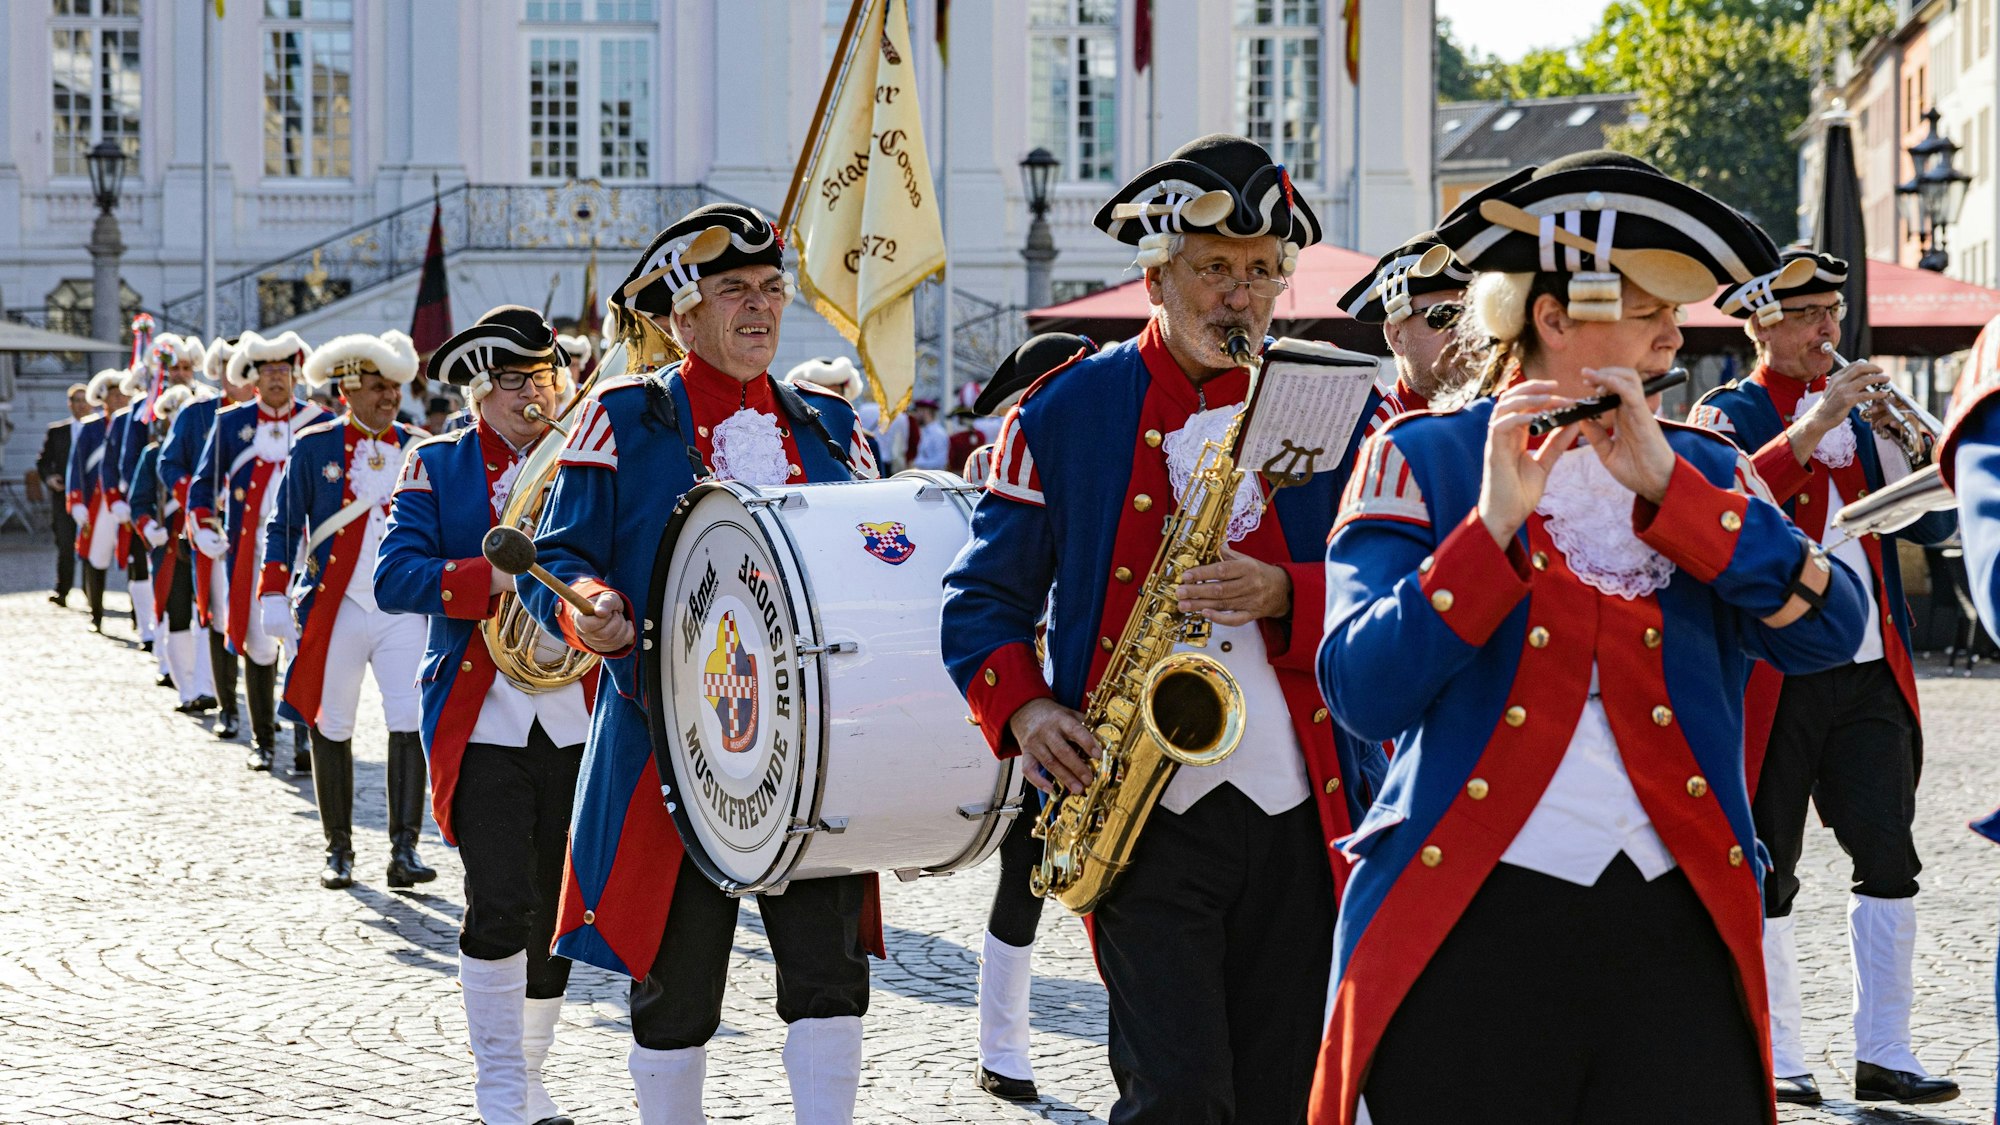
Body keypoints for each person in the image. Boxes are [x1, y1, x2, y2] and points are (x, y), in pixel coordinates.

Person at [1311, 151, 1870, 1125]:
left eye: (1673, 305)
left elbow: (1827, 631)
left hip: (1678, 919)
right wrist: (1484, 535)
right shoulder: (1417, 459)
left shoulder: (1704, 465)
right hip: (1469, 919)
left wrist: (1673, 495)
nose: (1671, 324)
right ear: (1551, 316)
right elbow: (1358, 691)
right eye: (1644, 300)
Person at [942, 134, 1381, 1122]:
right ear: (1154, 275)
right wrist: (1022, 712)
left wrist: (1285, 595)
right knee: (1174, 1094)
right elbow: (980, 600)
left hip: (1303, 803)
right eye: (1213, 270)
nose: (1239, 294)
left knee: (1287, 1090)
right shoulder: (1063, 412)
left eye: (1259, 272)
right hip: (1138, 809)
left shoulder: (1346, 408)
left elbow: (1391, 589)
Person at [520, 203, 882, 1124]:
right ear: (683, 317)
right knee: (676, 990)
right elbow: (553, 563)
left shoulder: (833, 428)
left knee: (829, 976)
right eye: (733, 292)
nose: (759, 309)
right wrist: (589, 606)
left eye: (770, 290)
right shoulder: (622, 418)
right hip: (672, 748)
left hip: (813, 753)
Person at [1688, 247, 1960, 1106]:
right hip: (1775, 672)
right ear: (1762, 322)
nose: (1828, 332)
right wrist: (1809, 431)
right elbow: (1723, 509)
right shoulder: (1724, 410)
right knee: (1771, 863)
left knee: (1890, 854)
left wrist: (1918, 448)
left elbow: (1926, 520)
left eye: (1833, 315)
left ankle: (1886, 1049)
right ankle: (1780, 1053)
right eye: (1808, 316)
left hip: (1871, 665)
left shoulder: (1867, 411)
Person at [378, 306, 595, 1125]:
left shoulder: (583, 458)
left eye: (544, 378)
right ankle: (500, 1086)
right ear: (480, 390)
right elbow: (399, 578)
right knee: (500, 899)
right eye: (513, 383)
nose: (533, 396)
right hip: (486, 718)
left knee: (559, 907)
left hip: (574, 713)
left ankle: (530, 1076)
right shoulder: (437, 463)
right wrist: (497, 578)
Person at [957, 330, 1095, 1103]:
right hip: (1019, 705)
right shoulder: (996, 466)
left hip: (1085, 691)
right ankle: (1000, 1042)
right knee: (1025, 873)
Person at [258, 331, 431, 890]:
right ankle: (339, 849)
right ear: (348, 388)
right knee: (332, 723)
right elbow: (284, 526)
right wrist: (271, 593)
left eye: (395, 387)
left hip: (400, 607)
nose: (390, 398)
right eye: (378, 387)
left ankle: (404, 850)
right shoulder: (314, 446)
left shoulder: (421, 446)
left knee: (409, 719)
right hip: (337, 608)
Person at [191, 331, 328, 771]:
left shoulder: (318, 420)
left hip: (309, 552)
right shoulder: (230, 423)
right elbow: (201, 485)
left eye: (283, 372)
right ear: (254, 377)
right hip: (252, 554)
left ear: (295, 375)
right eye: (267, 372)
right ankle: (264, 740)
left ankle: (306, 739)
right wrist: (201, 524)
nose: (276, 380)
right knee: (258, 643)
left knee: (304, 644)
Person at [163, 338, 252, 739]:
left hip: (261, 532)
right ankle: (227, 705)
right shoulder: (197, 413)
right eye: (233, 366)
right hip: (213, 530)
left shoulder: (279, 418)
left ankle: (271, 717)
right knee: (218, 615)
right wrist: (198, 501)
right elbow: (170, 464)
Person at [1338, 232, 1476, 438]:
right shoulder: (1358, 435)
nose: (1462, 333)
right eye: (1443, 316)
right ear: (1397, 336)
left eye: (1475, 317)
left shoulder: (1514, 424)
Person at [68, 368, 129, 633]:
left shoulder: (132, 423)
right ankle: (97, 611)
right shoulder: (91, 427)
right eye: (114, 396)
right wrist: (77, 501)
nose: (119, 400)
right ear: (104, 400)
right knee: (96, 555)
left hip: (126, 499)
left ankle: (141, 619)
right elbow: (77, 465)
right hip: (99, 501)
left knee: (136, 557)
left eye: (122, 395)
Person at [37, 383, 89, 607]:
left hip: (90, 498)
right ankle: (63, 590)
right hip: (63, 498)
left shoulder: (98, 429)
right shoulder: (57, 430)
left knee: (91, 546)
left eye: (84, 400)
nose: (80, 405)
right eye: (76, 400)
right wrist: (49, 477)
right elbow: (43, 462)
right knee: (65, 544)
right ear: (70, 404)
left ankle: (92, 592)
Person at [884, 397, 947, 472]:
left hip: (935, 478)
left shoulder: (938, 433)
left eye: (917, 411)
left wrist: (916, 463)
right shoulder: (925, 431)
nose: (915, 415)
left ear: (925, 411)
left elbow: (940, 462)